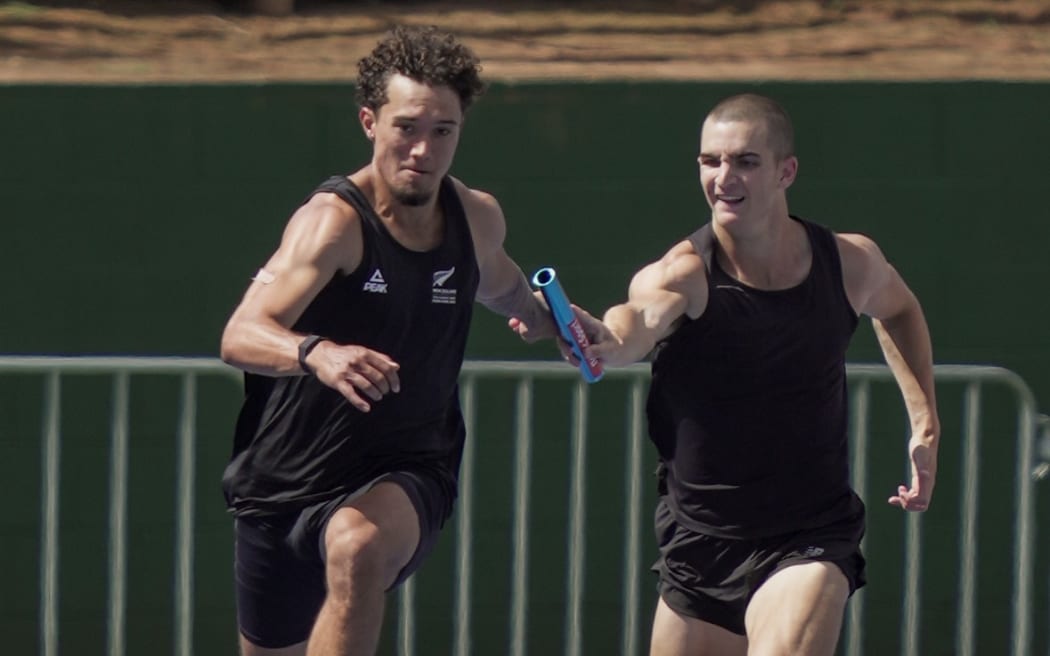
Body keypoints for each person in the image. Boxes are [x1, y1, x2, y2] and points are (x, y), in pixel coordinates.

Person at [557, 93, 939, 655]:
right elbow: (634, 322)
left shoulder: (848, 263)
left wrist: (924, 421)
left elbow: (900, 309)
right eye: (710, 162)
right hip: (699, 543)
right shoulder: (683, 273)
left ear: (787, 172)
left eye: (745, 161)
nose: (723, 177)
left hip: (809, 537)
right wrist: (605, 342)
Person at [219, 25, 559, 656]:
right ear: (370, 122)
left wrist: (560, 323)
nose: (423, 151)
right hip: (283, 481)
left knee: (359, 545)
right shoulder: (333, 224)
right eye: (407, 128)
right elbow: (240, 332)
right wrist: (316, 353)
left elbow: (509, 292)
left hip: (407, 464)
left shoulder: (475, 217)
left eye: (442, 132)